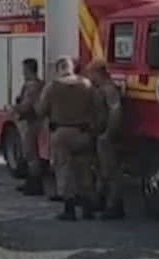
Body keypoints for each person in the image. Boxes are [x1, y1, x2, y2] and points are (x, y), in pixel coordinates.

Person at [38, 56, 101, 221]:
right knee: (85, 169)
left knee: (64, 170)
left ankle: (69, 210)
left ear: (58, 69)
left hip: (61, 133)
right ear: (72, 67)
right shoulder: (87, 85)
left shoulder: (52, 87)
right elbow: (98, 107)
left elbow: (41, 111)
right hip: (83, 133)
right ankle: (88, 209)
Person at [87, 58, 125, 220]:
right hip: (99, 133)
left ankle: (115, 205)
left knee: (111, 171)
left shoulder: (109, 89)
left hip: (107, 135)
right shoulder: (100, 88)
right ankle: (101, 200)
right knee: (102, 170)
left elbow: (115, 111)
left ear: (98, 72)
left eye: (91, 73)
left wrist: (108, 133)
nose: (89, 76)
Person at [12, 58, 44, 196]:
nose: (22, 73)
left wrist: (14, 108)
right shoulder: (40, 84)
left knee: (31, 154)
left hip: (32, 122)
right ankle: (31, 183)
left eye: (24, 70)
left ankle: (34, 185)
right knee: (32, 153)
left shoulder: (32, 86)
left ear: (28, 70)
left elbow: (26, 106)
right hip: (37, 122)